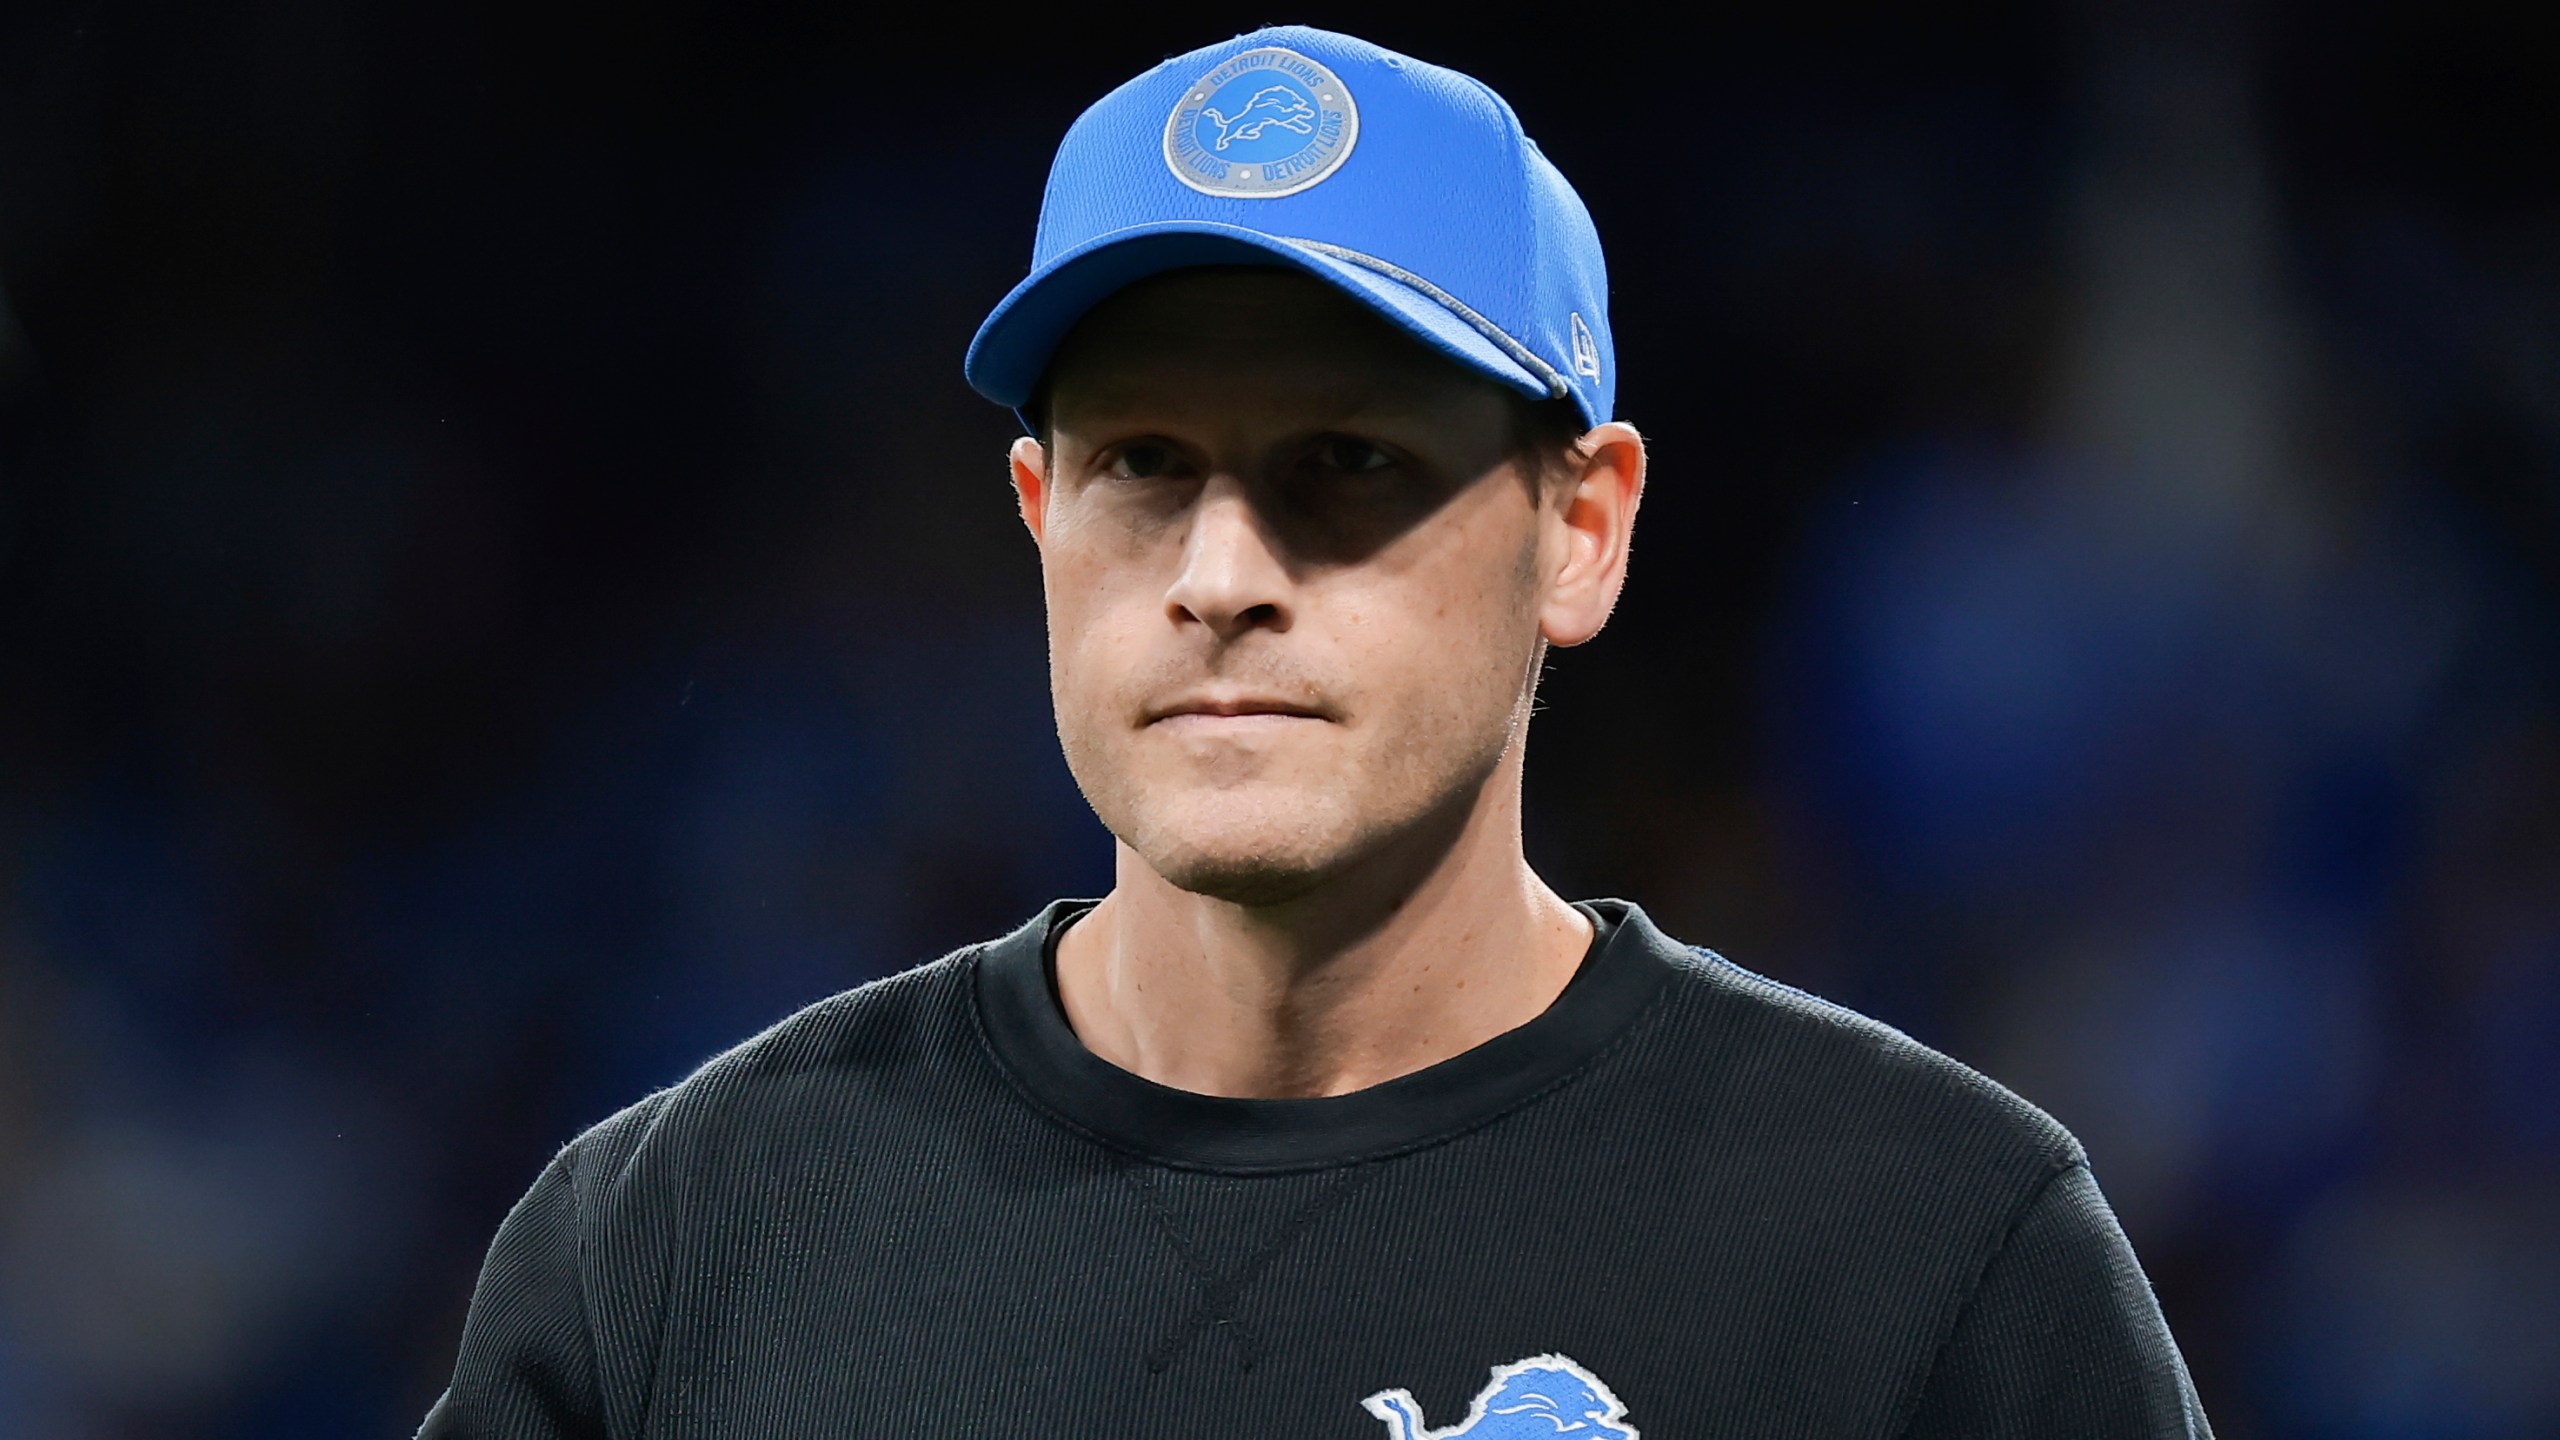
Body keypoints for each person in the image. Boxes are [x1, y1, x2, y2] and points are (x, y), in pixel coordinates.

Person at [421, 25, 2211, 1438]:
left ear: (1580, 529)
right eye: (1143, 467)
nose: (1220, 573)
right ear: (1038, 512)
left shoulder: (1923, 1256)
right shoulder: (679, 1250)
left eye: (1343, 465)